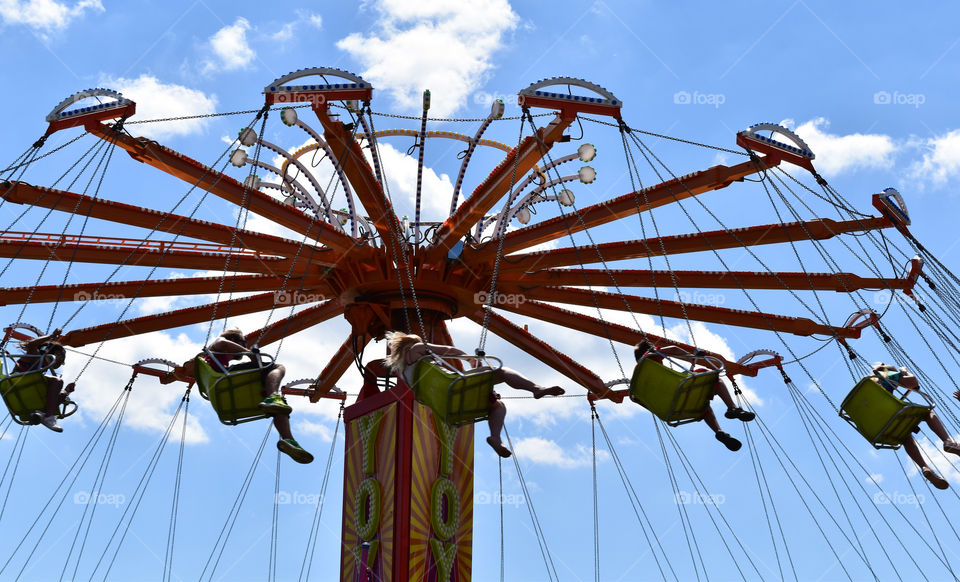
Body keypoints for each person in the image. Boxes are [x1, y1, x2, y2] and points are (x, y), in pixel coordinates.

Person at [378, 331, 565, 458]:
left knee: (497, 404)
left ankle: (496, 440)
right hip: (454, 384)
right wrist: (470, 360)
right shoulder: (416, 349)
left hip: (446, 405)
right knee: (502, 371)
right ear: (411, 344)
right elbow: (449, 351)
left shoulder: (403, 374)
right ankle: (536, 388)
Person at [163, 328, 313, 464]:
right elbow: (223, 344)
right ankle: (273, 396)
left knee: (280, 406)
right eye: (243, 342)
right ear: (234, 340)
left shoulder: (210, 363)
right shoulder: (218, 344)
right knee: (277, 367)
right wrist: (250, 354)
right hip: (226, 378)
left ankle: (289, 440)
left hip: (226, 395)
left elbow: (186, 370)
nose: (245, 345)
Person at [634, 340, 753, 452]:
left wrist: (659, 409)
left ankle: (719, 431)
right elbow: (674, 349)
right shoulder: (650, 355)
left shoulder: (637, 378)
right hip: (678, 390)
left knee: (703, 404)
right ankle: (732, 407)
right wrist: (692, 357)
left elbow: (637, 398)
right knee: (714, 377)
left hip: (669, 408)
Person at [874, 363, 959, 490]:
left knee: (904, 435)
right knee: (927, 412)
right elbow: (913, 382)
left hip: (879, 423)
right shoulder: (886, 374)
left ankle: (924, 467)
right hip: (891, 413)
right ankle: (948, 442)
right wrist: (904, 372)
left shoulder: (868, 386)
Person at [13, 328, 76, 433]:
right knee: (57, 381)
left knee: (59, 392)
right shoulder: (35, 356)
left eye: (63, 358)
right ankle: (49, 417)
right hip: (19, 380)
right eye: (60, 355)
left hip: (29, 387)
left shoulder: (42, 368)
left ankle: (44, 414)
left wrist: (67, 391)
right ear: (49, 351)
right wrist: (52, 335)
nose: (61, 360)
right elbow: (31, 344)